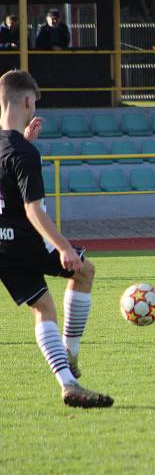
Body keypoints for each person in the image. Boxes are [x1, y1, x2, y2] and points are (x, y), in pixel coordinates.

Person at [0, 70, 113, 408]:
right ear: (27, 101)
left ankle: (68, 383)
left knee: (43, 308)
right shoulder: (24, 154)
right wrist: (64, 247)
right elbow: (34, 210)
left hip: (2, 244)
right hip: (24, 240)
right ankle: (71, 356)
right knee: (84, 271)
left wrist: (25, 142)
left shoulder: (11, 147)